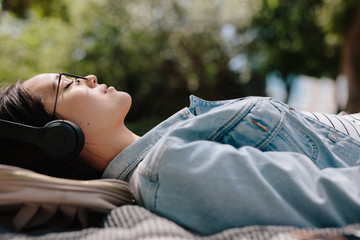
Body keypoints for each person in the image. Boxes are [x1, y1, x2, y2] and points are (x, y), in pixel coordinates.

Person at [1, 73, 360, 235]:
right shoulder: (169, 171)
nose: (90, 77)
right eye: (68, 84)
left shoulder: (171, 145)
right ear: (57, 139)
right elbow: (333, 196)